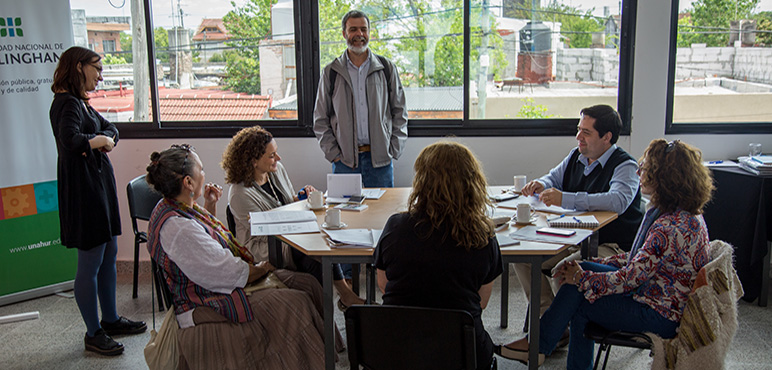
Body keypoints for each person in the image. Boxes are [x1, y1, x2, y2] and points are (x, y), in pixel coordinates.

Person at [497, 139, 714, 369]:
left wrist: (581, 278)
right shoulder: (682, 215)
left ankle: (538, 346)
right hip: (656, 294)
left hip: (659, 312)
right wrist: (587, 267)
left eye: (647, 169)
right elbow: (639, 259)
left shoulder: (668, 227)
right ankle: (539, 345)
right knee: (582, 273)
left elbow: (631, 278)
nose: (640, 172)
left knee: (580, 300)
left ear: (665, 179)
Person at [145, 144, 328, 369]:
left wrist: (210, 205)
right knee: (295, 303)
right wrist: (262, 269)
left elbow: (204, 249)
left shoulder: (178, 206)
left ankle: (325, 352)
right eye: (201, 170)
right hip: (203, 299)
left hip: (218, 280)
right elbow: (226, 273)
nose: (204, 174)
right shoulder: (178, 227)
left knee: (307, 283)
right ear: (188, 182)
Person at [49, 46, 146, 356]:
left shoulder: (82, 104)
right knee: (90, 261)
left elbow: (111, 128)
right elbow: (70, 141)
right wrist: (100, 141)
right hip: (84, 191)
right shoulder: (66, 104)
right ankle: (93, 333)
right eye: (97, 69)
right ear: (79, 67)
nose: (101, 77)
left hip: (98, 187)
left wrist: (105, 137)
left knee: (109, 253)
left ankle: (111, 319)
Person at [374, 141, 503, 370]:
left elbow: (384, 284)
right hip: (462, 351)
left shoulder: (396, 227)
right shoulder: (483, 236)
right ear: (472, 183)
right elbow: (482, 301)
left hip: (397, 350)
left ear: (421, 182)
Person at [514, 104, 645, 318]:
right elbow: (553, 178)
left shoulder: (626, 166)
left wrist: (566, 198)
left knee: (565, 271)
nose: (578, 137)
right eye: (578, 129)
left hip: (612, 245)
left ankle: (554, 327)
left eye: (586, 132)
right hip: (575, 236)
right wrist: (541, 184)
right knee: (524, 257)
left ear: (607, 137)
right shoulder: (577, 156)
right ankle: (547, 321)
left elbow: (618, 201)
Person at [222, 126, 365, 310]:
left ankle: (327, 313)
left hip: (288, 234)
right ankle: (340, 300)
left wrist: (302, 197)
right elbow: (263, 230)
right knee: (313, 252)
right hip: (264, 245)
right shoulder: (239, 194)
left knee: (318, 248)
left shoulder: (276, 170)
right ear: (253, 161)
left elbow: (288, 202)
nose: (278, 158)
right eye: (272, 155)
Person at [313, 9, 408, 188]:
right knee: (345, 215)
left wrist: (393, 149)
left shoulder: (386, 68)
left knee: (382, 214)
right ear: (344, 33)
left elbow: (400, 112)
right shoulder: (331, 72)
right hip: (344, 163)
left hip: (380, 162)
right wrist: (334, 154)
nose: (359, 34)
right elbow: (320, 119)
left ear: (369, 32)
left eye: (363, 29)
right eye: (353, 30)